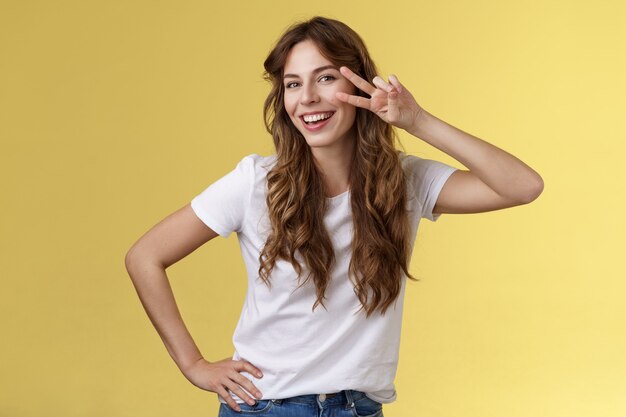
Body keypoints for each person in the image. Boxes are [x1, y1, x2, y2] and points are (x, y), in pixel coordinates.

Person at [125, 16, 543, 417]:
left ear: (358, 83)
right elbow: (145, 256)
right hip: (269, 408)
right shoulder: (255, 182)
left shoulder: (404, 180)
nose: (307, 97)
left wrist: (416, 120)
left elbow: (522, 186)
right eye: (293, 84)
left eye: (325, 78)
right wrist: (193, 364)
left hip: (360, 409)